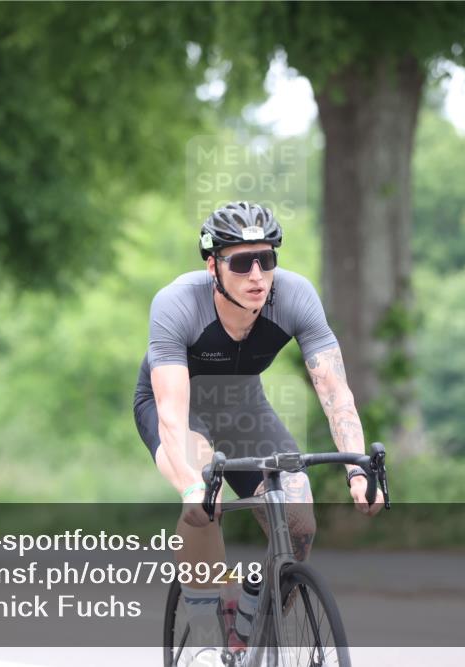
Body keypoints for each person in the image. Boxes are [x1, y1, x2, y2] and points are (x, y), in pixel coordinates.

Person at [133, 202, 384, 659]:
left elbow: (335, 391)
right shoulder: (175, 303)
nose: (256, 275)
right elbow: (171, 410)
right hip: (178, 409)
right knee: (205, 500)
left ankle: (249, 620)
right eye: (240, 261)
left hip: (245, 411)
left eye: (265, 260)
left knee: (300, 523)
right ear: (212, 265)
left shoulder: (295, 297)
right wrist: (191, 486)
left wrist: (357, 469)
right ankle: (206, 632)